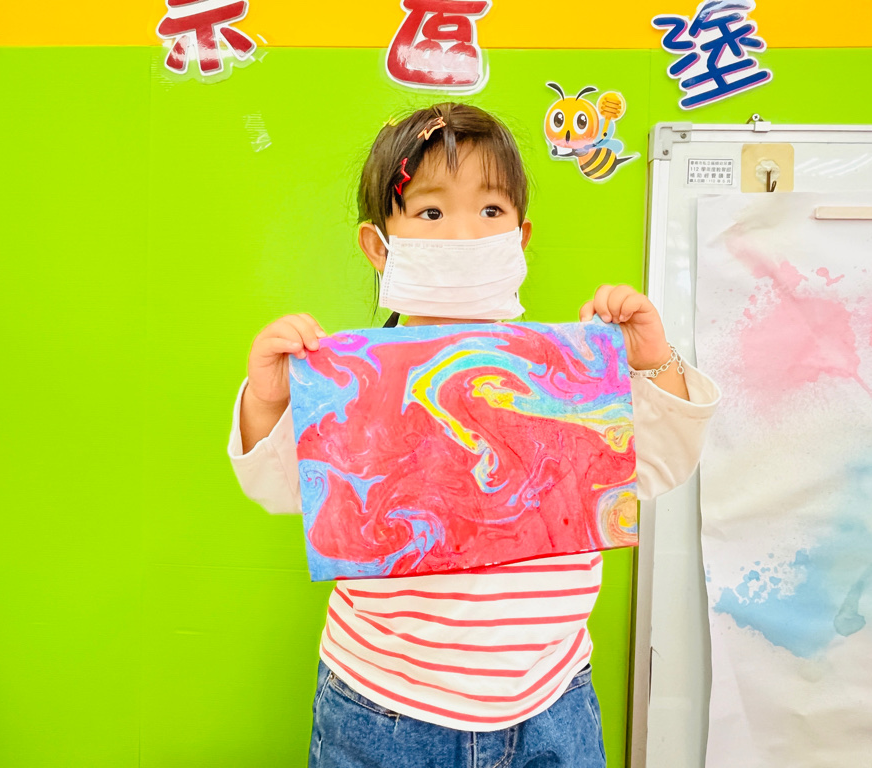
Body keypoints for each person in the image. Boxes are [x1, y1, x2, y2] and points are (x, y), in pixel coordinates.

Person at [227, 103, 720, 767]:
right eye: (431, 212)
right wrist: (268, 399)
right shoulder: (349, 381)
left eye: (490, 211)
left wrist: (653, 362)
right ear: (379, 246)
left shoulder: (565, 374)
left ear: (520, 236)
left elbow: (659, 465)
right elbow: (284, 490)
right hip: (384, 707)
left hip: (552, 698)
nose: (463, 234)